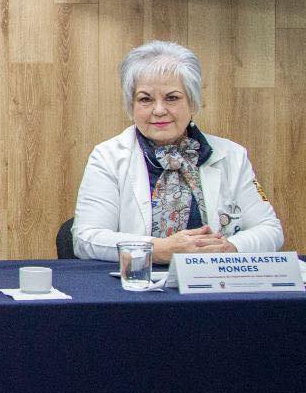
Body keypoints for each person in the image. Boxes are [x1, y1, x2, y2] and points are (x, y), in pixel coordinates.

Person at [73, 40, 284, 263]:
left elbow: (270, 230)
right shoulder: (108, 156)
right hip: (137, 285)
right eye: (145, 99)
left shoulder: (232, 155)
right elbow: (86, 239)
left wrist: (230, 247)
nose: (159, 110)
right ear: (131, 105)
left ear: (192, 102)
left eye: (172, 98)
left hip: (214, 285)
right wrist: (159, 249)